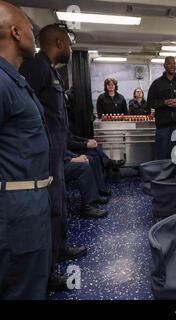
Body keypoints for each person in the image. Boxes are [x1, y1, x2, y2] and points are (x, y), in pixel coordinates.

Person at [20, 24, 86, 292]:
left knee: (58, 209)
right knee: (50, 212)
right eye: (69, 44)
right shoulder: (36, 67)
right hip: (45, 156)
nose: (70, 49)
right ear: (59, 43)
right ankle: (47, 274)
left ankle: (60, 251)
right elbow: (28, 114)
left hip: (57, 153)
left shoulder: (49, 71)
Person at [0, 1, 52, 299]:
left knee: (32, 282)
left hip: (31, 199)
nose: (35, 35)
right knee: (21, 289)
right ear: (16, 32)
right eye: (31, 29)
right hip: (14, 206)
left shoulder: (16, 80)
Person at [148, 56, 176, 159]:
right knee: (163, 155)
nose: (172, 66)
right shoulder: (156, 84)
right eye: (169, 63)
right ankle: (163, 174)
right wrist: (163, 102)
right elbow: (150, 102)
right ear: (164, 65)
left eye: (174, 63)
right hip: (163, 127)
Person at [64, 151, 108, 219]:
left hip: (62, 160)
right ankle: (86, 208)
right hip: (55, 167)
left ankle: (94, 196)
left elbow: (63, 150)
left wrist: (76, 156)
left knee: (89, 159)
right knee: (84, 167)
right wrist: (72, 159)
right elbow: (54, 154)